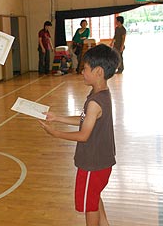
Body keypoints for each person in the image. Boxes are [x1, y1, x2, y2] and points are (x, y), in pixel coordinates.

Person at [39, 44, 120, 226]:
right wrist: (57, 117)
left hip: (93, 163)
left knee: (90, 205)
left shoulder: (95, 102)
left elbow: (83, 135)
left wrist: (55, 133)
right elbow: (85, 120)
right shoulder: (101, 94)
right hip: (101, 162)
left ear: (98, 71)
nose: (82, 72)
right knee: (94, 195)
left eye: (85, 68)